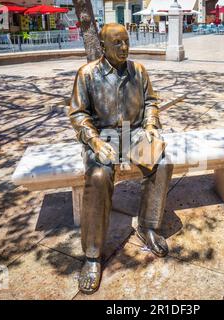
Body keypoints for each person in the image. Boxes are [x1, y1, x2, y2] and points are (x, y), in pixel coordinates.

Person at [68, 23, 173, 294]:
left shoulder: (138, 71)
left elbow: (151, 102)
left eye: (126, 41)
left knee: (162, 163)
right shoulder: (87, 75)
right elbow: (79, 115)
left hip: (134, 134)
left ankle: (149, 227)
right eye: (117, 43)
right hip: (103, 137)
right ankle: (92, 256)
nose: (124, 47)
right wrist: (94, 141)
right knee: (99, 176)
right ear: (103, 47)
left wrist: (150, 126)